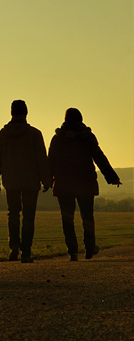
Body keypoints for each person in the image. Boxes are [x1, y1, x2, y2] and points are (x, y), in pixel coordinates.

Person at [48, 108, 121, 261]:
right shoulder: (88, 137)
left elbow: (51, 162)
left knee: (67, 219)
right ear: (81, 119)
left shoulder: (57, 139)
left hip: (63, 183)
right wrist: (112, 177)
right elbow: (99, 157)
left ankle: (72, 251)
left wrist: (48, 180)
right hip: (85, 182)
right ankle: (89, 248)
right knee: (87, 217)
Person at [0, 100, 52, 263]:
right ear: (26, 113)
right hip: (31, 181)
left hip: (11, 180)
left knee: (13, 214)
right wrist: (47, 180)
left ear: (11, 113)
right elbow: (41, 159)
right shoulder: (34, 134)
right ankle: (26, 252)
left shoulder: (3, 134)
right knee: (29, 216)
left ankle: (14, 247)